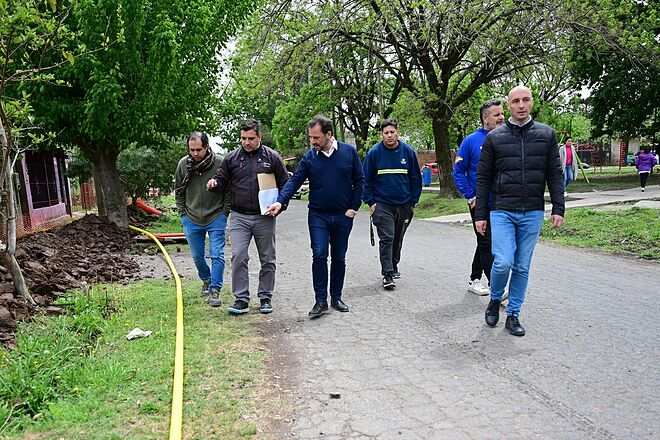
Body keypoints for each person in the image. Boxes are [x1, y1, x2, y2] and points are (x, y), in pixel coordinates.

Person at [475, 85, 565, 337]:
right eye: (516, 101)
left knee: (522, 267)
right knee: (503, 262)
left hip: (532, 211)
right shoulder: (495, 138)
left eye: (526, 100)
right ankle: (494, 300)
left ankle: (513, 314)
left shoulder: (546, 135)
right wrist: (481, 214)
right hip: (502, 210)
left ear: (532, 102)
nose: (521, 105)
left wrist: (558, 207)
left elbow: (555, 174)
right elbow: (483, 178)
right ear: (508, 105)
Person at [266, 115, 364, 318]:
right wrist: (280, 201)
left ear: (329, 134)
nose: (312, 141)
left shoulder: (349, 153)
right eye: (310, 137)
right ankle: (320, 301)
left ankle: (336, 297)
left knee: (339, 257)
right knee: (319, 254)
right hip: (318, 215)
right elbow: (293, 183)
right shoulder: (310, 157)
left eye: (316, 137)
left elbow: (360, 180)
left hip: (343, 215)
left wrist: (353, 207)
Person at [207, 119, 289, 315]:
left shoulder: (272, 157)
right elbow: (221, 178)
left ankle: (265, 297)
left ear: (259, 137)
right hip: (239, 216)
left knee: (268, 258)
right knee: (238, 256)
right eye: (243, 138)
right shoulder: (232, 159)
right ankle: (241, 298)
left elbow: (286, 184)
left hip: (264, 216)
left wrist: (281, 205)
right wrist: (214, 183)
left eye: (251, 138)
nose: (247, 142)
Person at [362, 119, 422, 290]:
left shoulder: (408, 152)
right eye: (386, 133)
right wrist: (371, 202)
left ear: (397, 132)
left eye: (392, 132)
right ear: (382, 135)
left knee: (397, 237)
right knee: (387, 238)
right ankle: (387, 274)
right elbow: (365, 180)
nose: (389, 135)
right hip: (382, 204)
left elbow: (416, 179)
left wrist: (413, 201)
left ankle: (394, 265)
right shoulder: (374, 153)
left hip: (404, 204)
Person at [452, 99, 504, 296]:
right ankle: (495, 286)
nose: (501, 117)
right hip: (479, 202)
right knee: (486, 242)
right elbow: (458, 171)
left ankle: (475, 278)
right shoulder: (471, 141)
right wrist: (470, 194)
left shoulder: (507, 137)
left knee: (488, 241)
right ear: (485, 118)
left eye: (502, 114)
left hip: (502, 201)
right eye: (496, 114)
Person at [174, 132, 230, 307]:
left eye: (199, 149)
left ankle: (215, 289)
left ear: (206, 147)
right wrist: (182, 213)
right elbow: (178, 190)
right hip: (191, 217)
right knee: (198, 256)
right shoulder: (183, 165)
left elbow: (229, 189)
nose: (195, 154)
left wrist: (225, 211)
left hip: (216, 215)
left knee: (217, 254)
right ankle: (206, 279)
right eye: (192, 150)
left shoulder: (220, 163)